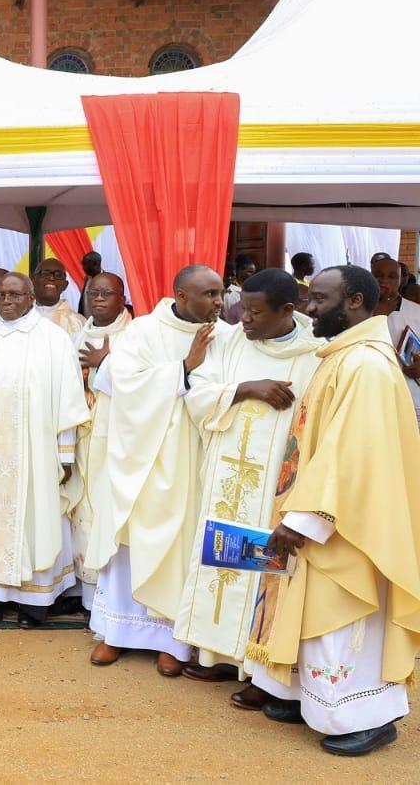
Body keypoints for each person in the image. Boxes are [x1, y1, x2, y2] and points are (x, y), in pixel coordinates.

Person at [248, 265, 420, 757]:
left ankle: (367, 715)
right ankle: (305, 695)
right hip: (322, 509)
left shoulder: (366, 365)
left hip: (348, 523)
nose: (307, 307)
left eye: (319, 299)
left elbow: (351, 454)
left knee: (343, 619)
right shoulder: (343, 355)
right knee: (311, 612)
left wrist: (301, 520)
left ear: (355, 302)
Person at [176, 269, 322, 693]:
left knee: (270, 569)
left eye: (256, 314)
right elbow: (199, 392)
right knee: (222, 558)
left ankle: (260, 670)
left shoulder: (314, 354)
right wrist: (245, 388)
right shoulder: (231, 340)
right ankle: (218, 653)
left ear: (288, 311)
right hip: (229, 472)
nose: (245, 321)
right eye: (243, 311)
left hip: (278, 483)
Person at [88, 265, 227, 676]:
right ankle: (117, 632)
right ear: (181, 296)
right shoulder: (144, 331)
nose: (219, 302)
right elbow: (117, 379)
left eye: (221, 294)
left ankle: (173, 640)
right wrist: (184, 367)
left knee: (180, 546)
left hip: (192, 455)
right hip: (141, 456)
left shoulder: (228, 335)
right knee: (130, 540)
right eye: (209, 294)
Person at [0, 273, 89, 628]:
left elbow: (68, 399)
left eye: (15, 294)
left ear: (31, 297)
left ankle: (34, 602)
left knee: (35, 518)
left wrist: (65, 453)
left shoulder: (53, 339)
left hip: (35, 450)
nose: (7, 300)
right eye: (1, 294)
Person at [64, 272, 132, 611]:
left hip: (119, 438)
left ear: (123, 297)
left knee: (110, 508)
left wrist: (104, 364)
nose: (100, 298)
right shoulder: (78, 332)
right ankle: (87, 595)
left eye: (108, 292)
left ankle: (114, 599)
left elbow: (146, 384)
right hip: (82, 435)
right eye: (94, 292)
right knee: (82, 509)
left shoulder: (136, 336)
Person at [372, 257, 420, 424]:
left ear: (401, 279)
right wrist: (379, 316)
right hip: (372, 397)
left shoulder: (416, 312)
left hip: (410, 398)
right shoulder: (357, 310)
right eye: (378, 275)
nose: (384, 281)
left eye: (392, 276)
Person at [32, 258, 84, 336]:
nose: (52, 278)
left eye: (58, 275)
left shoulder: (78, 322)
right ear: (33, 280)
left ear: (65, 285)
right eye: (45, 274)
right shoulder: (21, 316)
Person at [224, 255, 258, 324]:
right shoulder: (230, 292)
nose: (253, 275)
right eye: (250, 272)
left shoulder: (251, 290)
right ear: (240, 271)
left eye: (253, 273)